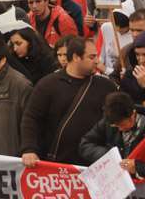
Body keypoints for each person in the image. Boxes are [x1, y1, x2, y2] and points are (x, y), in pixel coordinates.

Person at [21, 37, 116, 166]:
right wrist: (29, 149)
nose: (97, 61)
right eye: (91, 57)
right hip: (55, 165)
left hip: (93, 165)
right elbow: (31, 118)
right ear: (76, 57)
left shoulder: (106, 86)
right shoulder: (48, 84)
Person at [79, 92, 145, 179]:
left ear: (133, 115)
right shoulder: (109, 122)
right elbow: (86, 144)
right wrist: (108, 156)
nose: (119, 129)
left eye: (122, 125)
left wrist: (137, 167)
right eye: (116, 125)